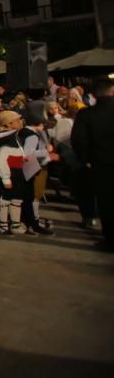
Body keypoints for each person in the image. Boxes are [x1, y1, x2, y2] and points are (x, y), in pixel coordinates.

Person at [71, 79, 114, 250]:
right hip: (101, 162)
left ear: (94, 95)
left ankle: (110, 240)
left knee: (108, 203)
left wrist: (86, 159)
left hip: (101, 164)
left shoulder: (87, 114)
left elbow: (78, 140)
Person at [0, 111, 32, 235]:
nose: (21, 122)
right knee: (5, 199)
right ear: (8, 124)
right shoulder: (4, 138)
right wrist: (5, 178)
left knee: (16, 199)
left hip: (17, 172)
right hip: (9, 173)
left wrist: (22, 157)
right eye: (17, 120)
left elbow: (17, 150)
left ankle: (15, 224)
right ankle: (3, 224)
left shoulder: (14, 136)